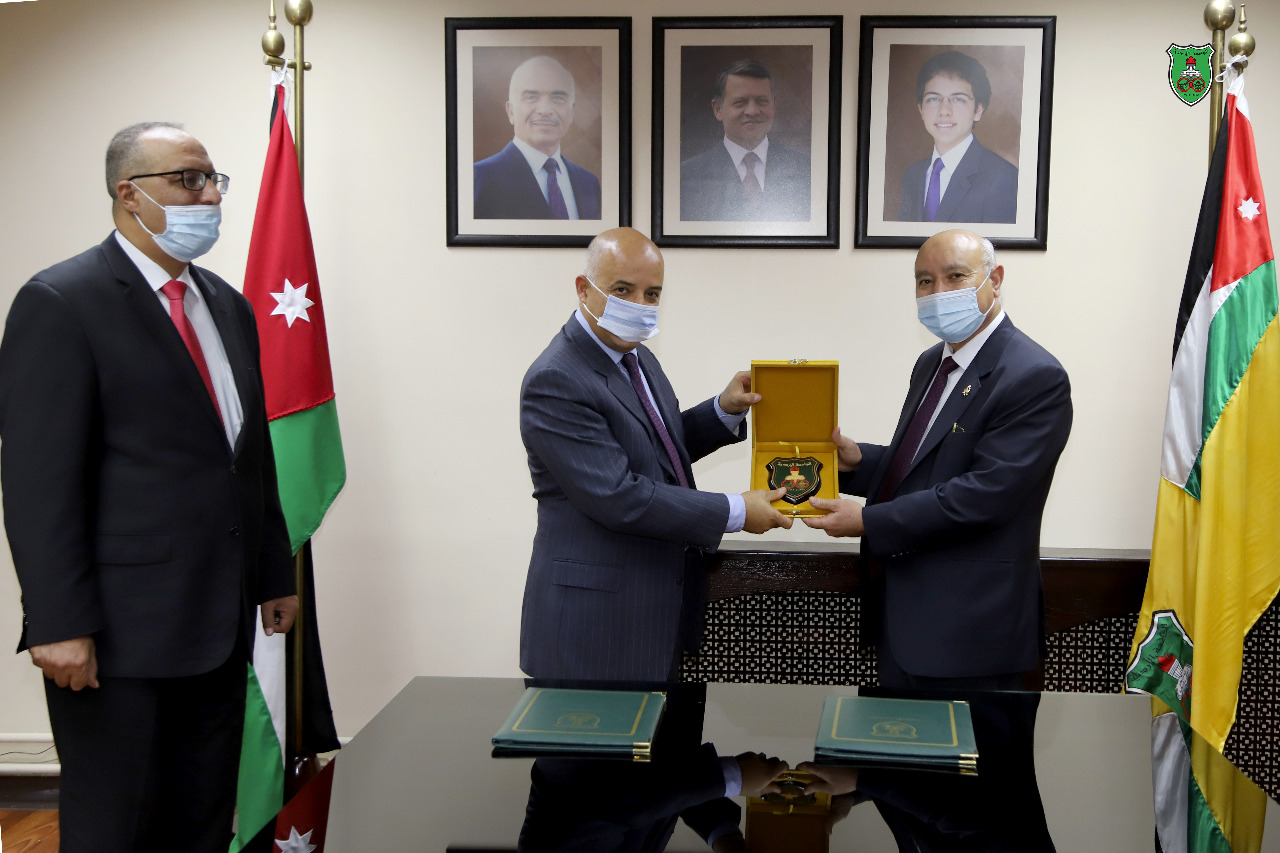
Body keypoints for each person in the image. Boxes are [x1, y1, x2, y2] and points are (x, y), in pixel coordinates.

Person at [0, 122, 296, 853]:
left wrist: (273, 573)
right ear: (128, 194)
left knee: (200, 823)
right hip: (116, 636)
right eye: (188, 180)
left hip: (218, 624)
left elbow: (247, 458)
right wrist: (57, 622)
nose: (210, 196)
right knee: (117, 826)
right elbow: (38, 482)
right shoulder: (61, 300)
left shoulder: (227, 305)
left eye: (213, 179)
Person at [802, 229, 1067, 851]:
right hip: (906, 630)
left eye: (954, 277)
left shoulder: (1033, 375)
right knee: (917, 816)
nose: (937, 292)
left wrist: (869, 521)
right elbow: (923, 470)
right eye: (925, 281)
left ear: (994, 280)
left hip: (973, 639)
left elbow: (984, 495)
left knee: (980, 821)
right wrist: (858, 461)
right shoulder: (933, 365)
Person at [519, 227, 793, 682]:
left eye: (652, 293)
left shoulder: (636, 357)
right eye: (622, 290)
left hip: (656, 608)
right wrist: (737, 510)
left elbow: (654, 449)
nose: (640, 305)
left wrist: (722, 411)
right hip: (594, 627)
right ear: (583, 289)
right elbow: (618, 496)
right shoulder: (557, 378)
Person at [679, 59, 811, 222]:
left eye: (761, 101)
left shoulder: (808, 170)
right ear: (718, 109)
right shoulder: (685, 177)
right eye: (740, 102)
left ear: (773, 105)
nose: (752, 111)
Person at [895, 51, 1019, 224]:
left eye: (958, 99)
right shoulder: (913, 175)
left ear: (978, 110)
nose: (944, 111)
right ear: (921, 109)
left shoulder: (1002, 177)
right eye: (933, 99)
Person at [473, 55, 602, 220]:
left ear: (571, 113)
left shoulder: (588, 183)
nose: (545, 110)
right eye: (532, 97)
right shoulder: (481, 178)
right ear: (511, 111)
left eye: (558, 98)